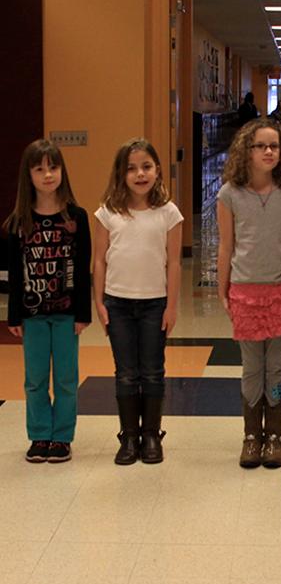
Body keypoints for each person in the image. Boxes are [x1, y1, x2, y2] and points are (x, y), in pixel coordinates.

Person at [217, 118, 281, 469]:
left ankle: (275, 435)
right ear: (246, 151)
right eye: (260, 146)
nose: (268, 151)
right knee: (252, 367)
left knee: (276, 366)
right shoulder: (229, 194)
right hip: (245, 290)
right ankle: (252, 435)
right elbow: (226, 247)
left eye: (274, 146)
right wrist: (222, 289)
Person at [94, 138, 183, 466]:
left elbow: (173, 263)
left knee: (153, 371)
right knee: (126, 372)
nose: (140, 174)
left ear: (157, 170)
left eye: (146, 166)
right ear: (121, 174)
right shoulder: (108, 212)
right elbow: (99, 261)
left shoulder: (169, 213)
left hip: (154, 305)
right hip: (117, 304)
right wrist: (99, 302)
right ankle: (129, 435)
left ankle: (151, 435)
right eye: (131, 168)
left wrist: (172, 306)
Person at [4, 139, 91, 464]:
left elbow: (82, 270)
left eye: (52, 167)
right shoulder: (19, 222)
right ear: (28, 175)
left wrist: (82, 313)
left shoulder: (76, 218)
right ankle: (40, 433)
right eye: (39, 169)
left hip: (67, 313)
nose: (47, 175)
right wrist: (15, 316)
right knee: (35, 378)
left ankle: (62, 437)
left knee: (67, 378)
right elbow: (14, 274)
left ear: (61, 171)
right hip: (33, 314)